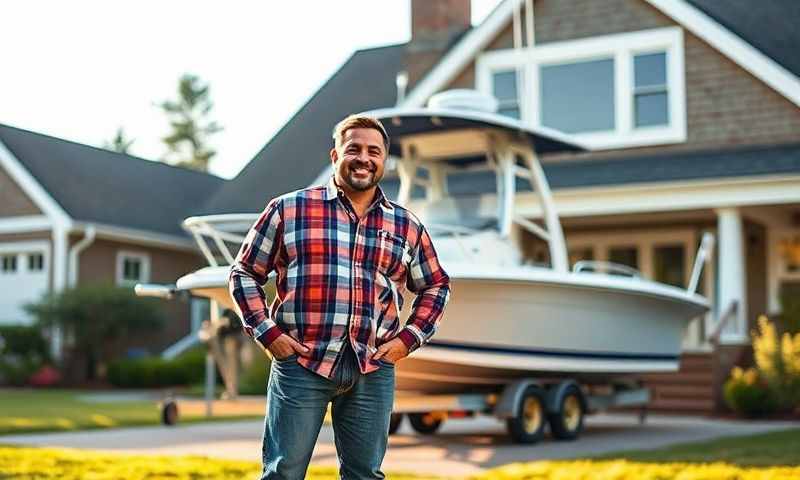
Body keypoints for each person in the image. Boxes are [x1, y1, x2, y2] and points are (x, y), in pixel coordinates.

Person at [228, 114, 451, 479]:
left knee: (365, 475)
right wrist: (269, 334)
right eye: (354, 149)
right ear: (335, 156)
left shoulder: (406, 225)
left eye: (374, 152)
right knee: (283, 473)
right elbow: (244, 272)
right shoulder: (288, 210)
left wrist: (406, 341)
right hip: (302, 364)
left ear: (384, 161)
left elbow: (436, 285)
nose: (364, 158)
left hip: (373, 368)